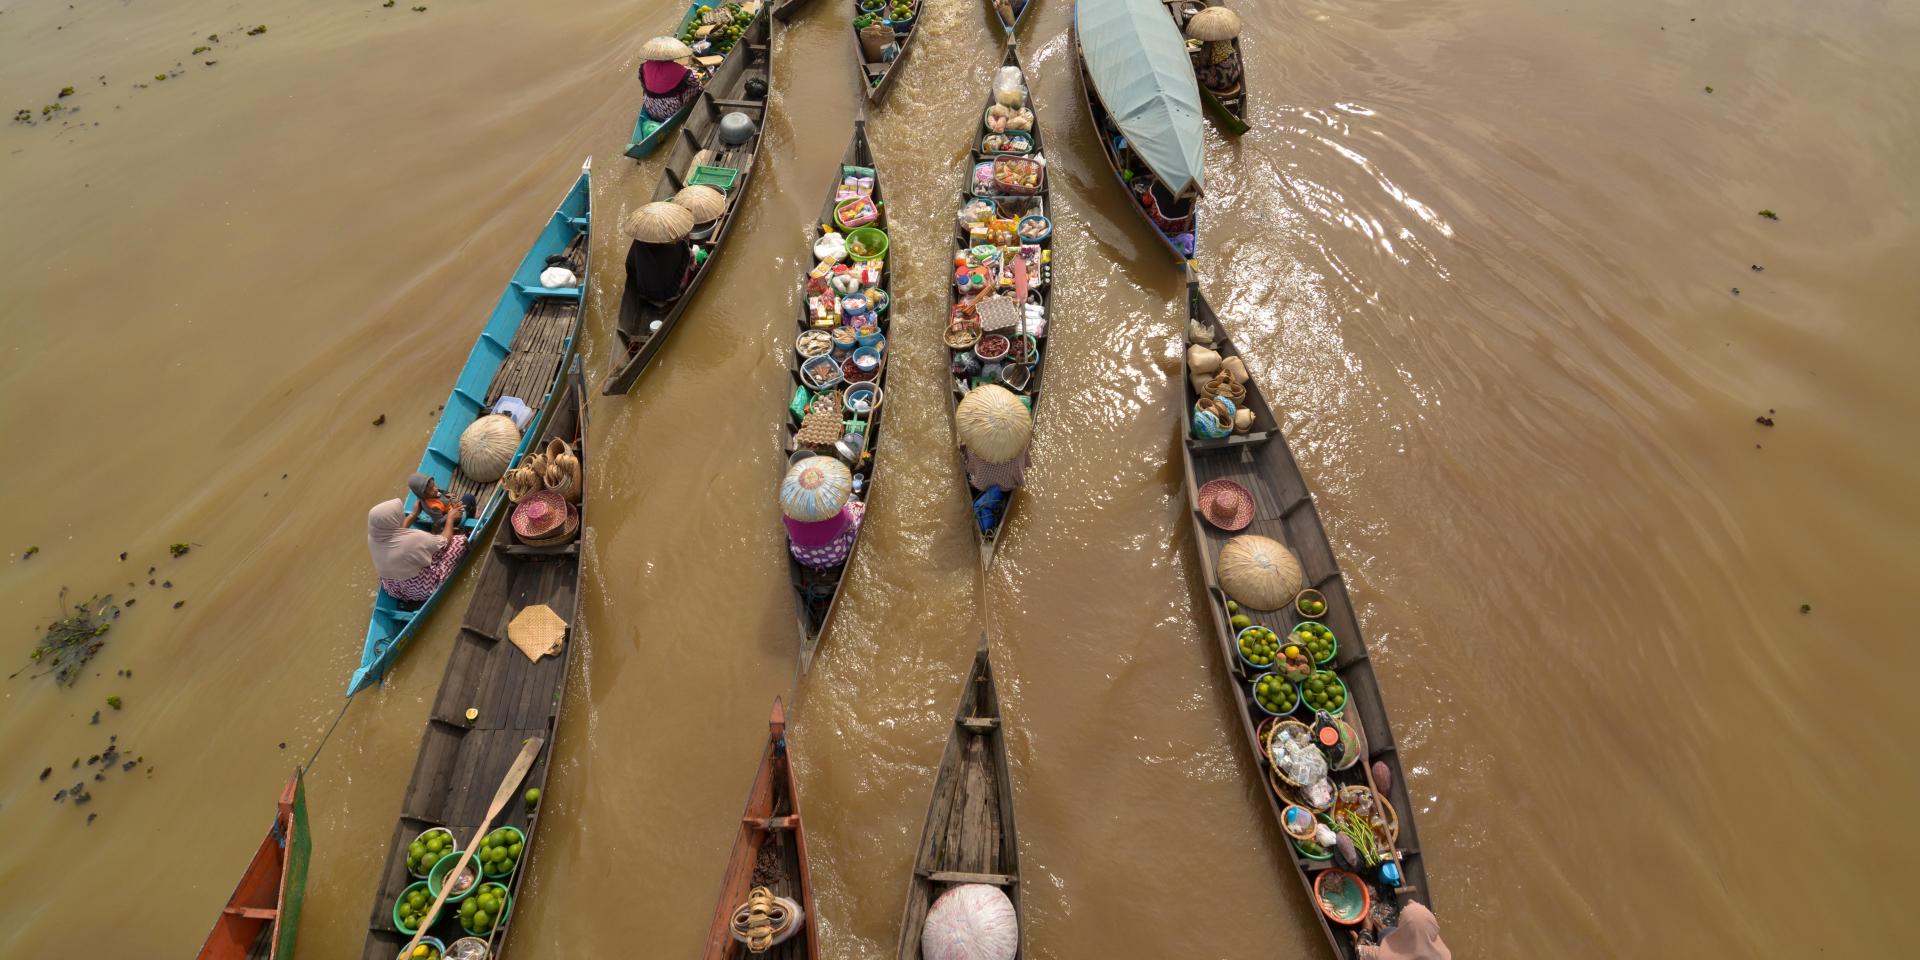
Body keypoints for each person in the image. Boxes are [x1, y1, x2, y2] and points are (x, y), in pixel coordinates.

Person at [367, 497, 468, 604]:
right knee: (459, 541)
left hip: (395, 589)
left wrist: (413, 515)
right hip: (424, 589)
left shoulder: (374, 538)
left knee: (421, 550)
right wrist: (450, 519)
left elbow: (397, 533)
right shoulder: (413, 539)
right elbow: (444, 542)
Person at [1353, 902, 1450, 960]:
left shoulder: (1387, 957)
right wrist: (1384, 930)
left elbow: (1359, 951)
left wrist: (1366, 930)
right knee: (1387, 931)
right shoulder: (1445, 955)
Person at [640, 41, 702, 123]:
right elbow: (695, 80)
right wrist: (689, 69)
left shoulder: (644, 66)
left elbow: (643, 84)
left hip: (650, 108)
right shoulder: (676, 68)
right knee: (697, 85)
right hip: (670, 111)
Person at [406, 473, 476, 528]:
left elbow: (442, 492)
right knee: (469, 497)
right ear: (423, 494)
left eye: (434, 485)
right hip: (456, 519)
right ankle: (470, 519)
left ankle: (468, 516)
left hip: (453, 508)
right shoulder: (432, 506)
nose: (435, 489)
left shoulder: (432, 493)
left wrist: (450, 496)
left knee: (467, 499)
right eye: (431, 489)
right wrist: (452, 512)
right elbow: (439, 522)